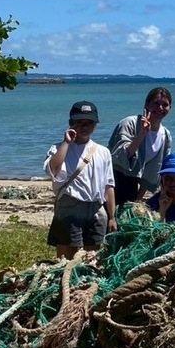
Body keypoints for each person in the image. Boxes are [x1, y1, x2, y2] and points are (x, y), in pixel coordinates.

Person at [44, 101, 116, 260]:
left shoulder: (103, 152)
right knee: (66, 258)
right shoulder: (57, 148)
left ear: (95, 125)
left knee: (93, 257)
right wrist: (66, 142)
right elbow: (53, 170)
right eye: (79, 122)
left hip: (96, 207)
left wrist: (112, 216)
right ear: (71, 123)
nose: (84, 126)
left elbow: (109, 186)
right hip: (70, 205)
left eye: (89, 122)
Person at [108, 87, 173, 205]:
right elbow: (121, 157)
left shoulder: (166, 135)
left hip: (132, 185)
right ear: (147, 104)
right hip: (112, 179)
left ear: (170, 108)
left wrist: (137, 201)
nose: (160, 108)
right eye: (156, 103)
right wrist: (142, 132)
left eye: (165, 105)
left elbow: (153, 172)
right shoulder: (129, 123)